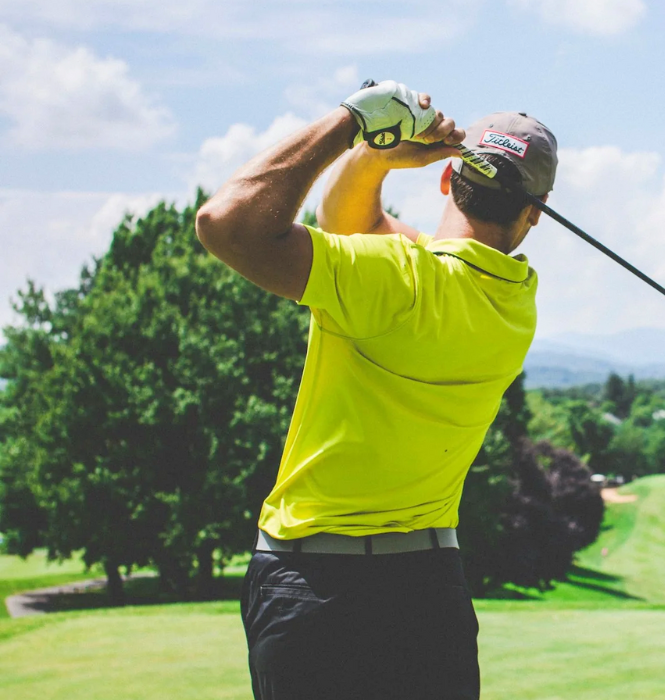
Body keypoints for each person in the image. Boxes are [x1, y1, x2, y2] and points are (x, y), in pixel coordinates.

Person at [195, 79, 558, 700]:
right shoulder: (514, 305)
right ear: (534, 214)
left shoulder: (392, 282)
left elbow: (225, 224)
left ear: (446, 179)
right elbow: (356, 226)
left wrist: (355, 125)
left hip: (309, 584)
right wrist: (371, 160)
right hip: (430, 592)